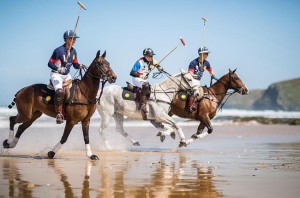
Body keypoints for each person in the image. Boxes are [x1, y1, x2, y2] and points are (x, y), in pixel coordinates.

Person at [48, 30, 85, 124]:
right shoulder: (58, 50)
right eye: (72, 38)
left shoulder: (73, 51)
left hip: (66, 75)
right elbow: (49, 63)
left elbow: (75, 64)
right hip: (56, 74)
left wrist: (80, 65)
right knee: (60, 92)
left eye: (75, 39)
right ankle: (59, 114)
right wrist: (58, 69)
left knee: (75, 90)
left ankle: (72, 112)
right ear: (66, 39)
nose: (74, 40)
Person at [130, 48, 163, 115]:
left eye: (152, 56)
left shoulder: (153, 61)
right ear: (145, 56)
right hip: (136, 79)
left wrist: (160, 68)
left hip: (144, 80)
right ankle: (141, 105)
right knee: (146, 86)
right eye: (150, 56)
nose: (152, 57)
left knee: (151, 88)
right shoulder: (139, 62)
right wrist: (141, 76)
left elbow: (157, 65)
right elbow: (131, 73)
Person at [187, 46, 216, 113]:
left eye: (207, 54)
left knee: (203, 92)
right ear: (201, 54)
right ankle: (190, 107)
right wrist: (195, 75)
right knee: (197, 92)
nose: (207, 55)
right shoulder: (193, 62)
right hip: (192, 80)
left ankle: (199, 107)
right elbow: (190, 73)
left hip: (197, 81)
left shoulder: (206, 63)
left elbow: (210, 69)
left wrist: (212, 74)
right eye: (206, 53)